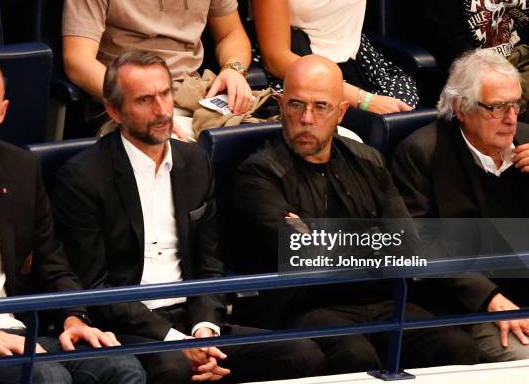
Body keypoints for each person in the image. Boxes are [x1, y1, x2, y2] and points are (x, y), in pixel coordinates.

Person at [51, 50, 326, 383]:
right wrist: (173, 340)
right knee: (175, 366)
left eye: (166, 93)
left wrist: (205, 330)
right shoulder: (83, 177)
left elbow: (210, 263)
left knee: (301, 354)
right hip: (130, 327)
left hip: (192, 319)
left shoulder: (194, 162)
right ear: (114, 110)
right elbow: (96, 289)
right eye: (145, 100)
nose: (162, 110)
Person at [232, 54, 480, 374]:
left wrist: (320, 235)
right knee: (355, 356)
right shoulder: (258, 173)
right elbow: (302, 252)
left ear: (341, 113)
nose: (307, 118)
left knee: (456, 347)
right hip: (302, 305)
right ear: (280, 105)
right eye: (296, 105)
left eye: (320, 106)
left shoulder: (368, 160)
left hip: (380, 301)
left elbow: (407, 244)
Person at [0, 53, 146, 384]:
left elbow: (52, 262)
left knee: (122, 369)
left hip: (17, 334)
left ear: (3, 111)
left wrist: (74, 318)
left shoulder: (20, 169)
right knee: (46, 378)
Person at [391, 48, 529, 361]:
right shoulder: (423, 153)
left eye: (516, 104)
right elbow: (419, 246)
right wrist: (488, 298)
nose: (511, 119)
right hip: (469, 306)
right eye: (496, 108)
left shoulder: (526, 141)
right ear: (461, 108)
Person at [62, 0, 254, 138]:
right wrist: (139, 101)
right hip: (129, 102)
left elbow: (231, 34)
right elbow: (78, 60)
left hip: (195, 95)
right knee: (178, 158)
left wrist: (234, 69)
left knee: (258, 144)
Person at [247, 0, 418, 114]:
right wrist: (365, 101)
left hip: (358, 64)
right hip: (298, 69)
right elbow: (275, 58)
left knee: (403, 112)